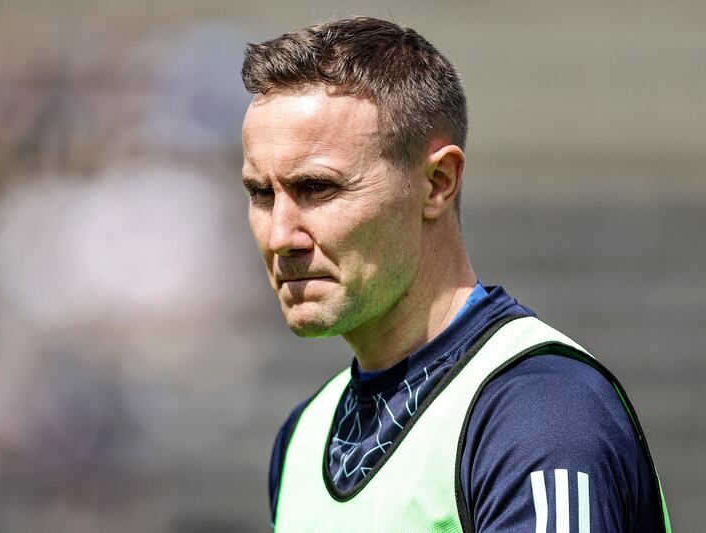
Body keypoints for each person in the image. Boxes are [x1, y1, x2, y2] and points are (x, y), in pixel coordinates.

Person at [239, 17, 671, 532]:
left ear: (438, 183)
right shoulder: (303, 437)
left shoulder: (541, 414)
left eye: (317, 188)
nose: (280, 235)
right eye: (261, 193)